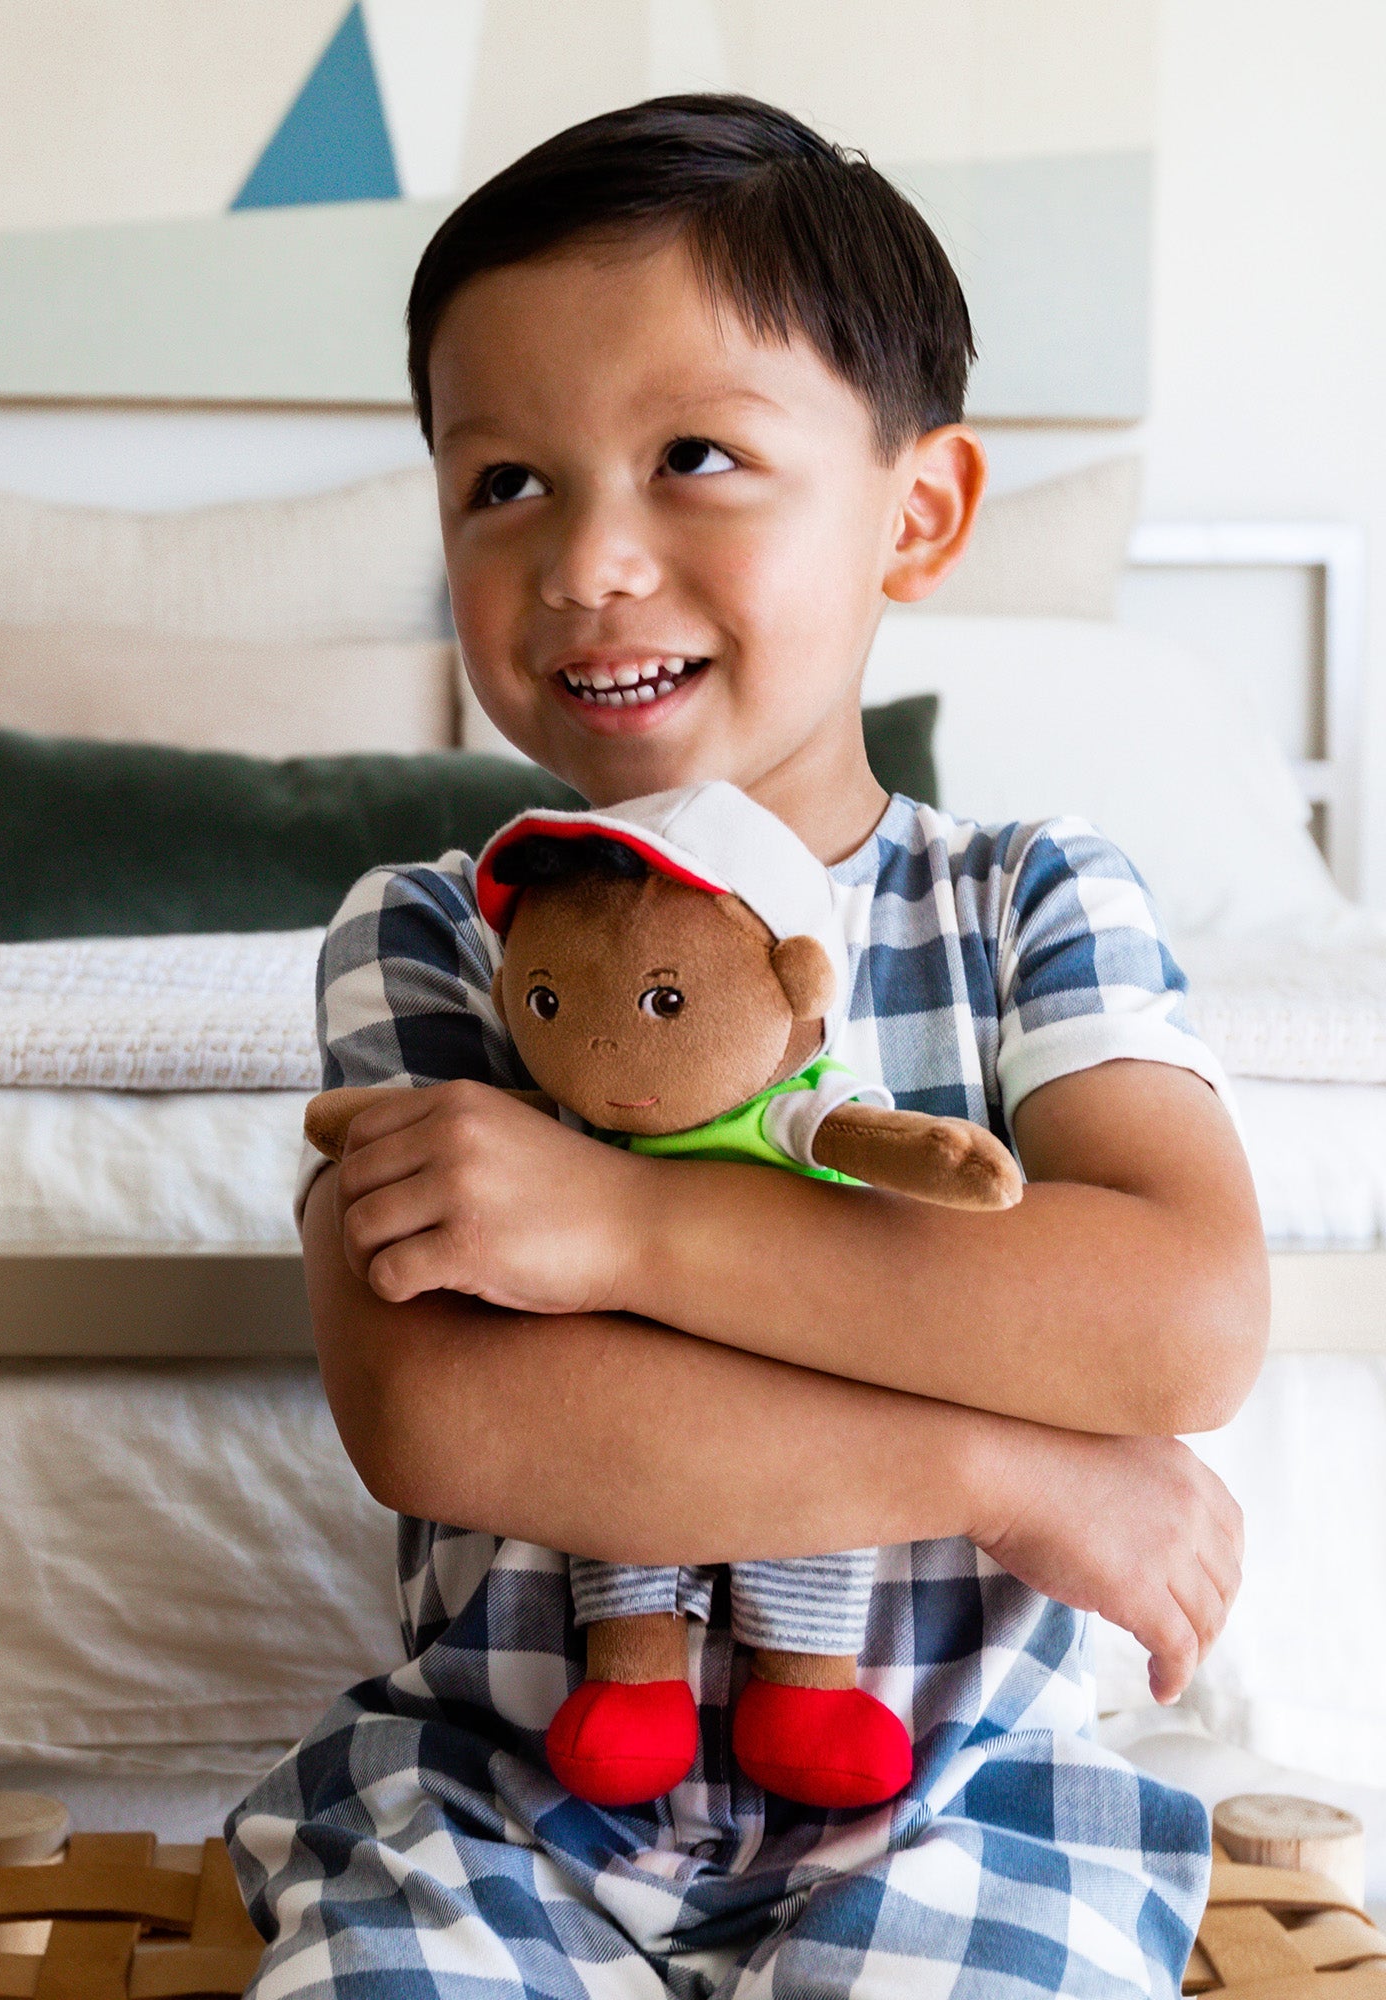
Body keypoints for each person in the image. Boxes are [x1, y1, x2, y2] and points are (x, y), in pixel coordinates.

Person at [228, 94, 1266, 2000]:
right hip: (496, 1804)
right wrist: (1014, 1472)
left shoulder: (1033, 902)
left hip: (964, 1803)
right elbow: (444, 1416)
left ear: (920, 514)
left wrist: (614, 1235)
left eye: (694, 455)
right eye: (505, 484)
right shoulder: (427, 934)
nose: (588, 563)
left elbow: (1178, 1321)